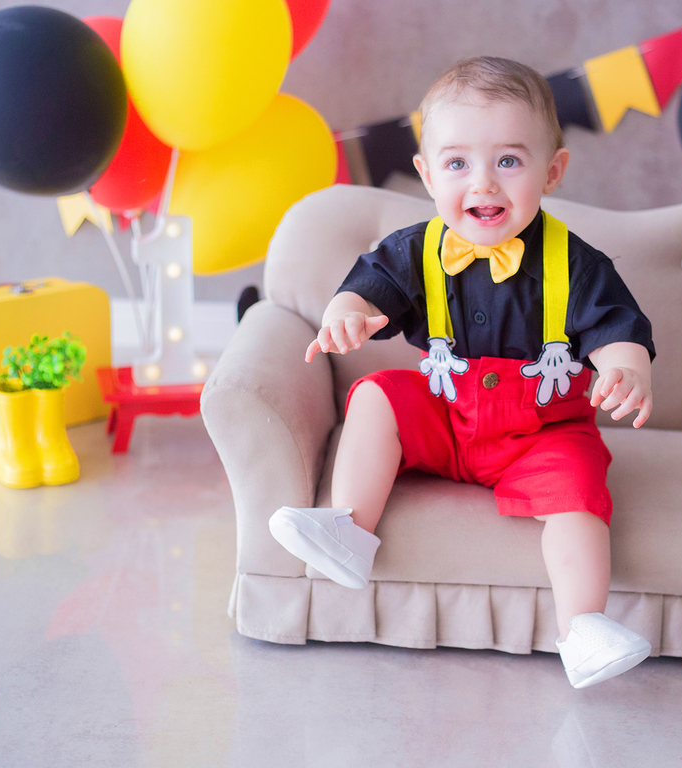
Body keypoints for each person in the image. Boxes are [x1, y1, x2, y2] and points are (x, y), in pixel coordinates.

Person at [269, 56, 656, 688]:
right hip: (448, 419)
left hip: (541, 435)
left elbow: (617, 327)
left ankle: (582, 628)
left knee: (582, 488)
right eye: (457, 164)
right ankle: (348, 531)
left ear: (552, 170)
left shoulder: (577, 264)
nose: (483, 184)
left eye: (508, 161)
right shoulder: (414, 249)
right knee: (378, 394)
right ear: (425, 173)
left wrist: (625, 366)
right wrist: (347, 313)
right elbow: (367, 287)